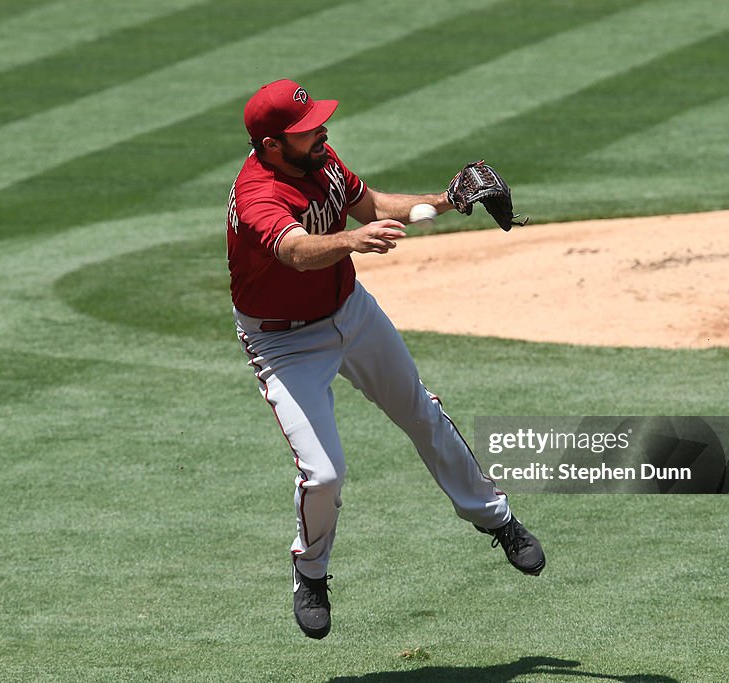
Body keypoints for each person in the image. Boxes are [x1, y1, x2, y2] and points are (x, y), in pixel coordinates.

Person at [226, 79, 545, 640]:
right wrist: (352, 241)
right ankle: (311, 574)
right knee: (324, 473)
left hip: (351, 311)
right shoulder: (257, 193)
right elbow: (296, 251)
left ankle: (499, 520)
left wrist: (447, 202)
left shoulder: (319, 160)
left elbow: (370, 205)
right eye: (307, 130)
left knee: (421, 412)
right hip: (284, 343)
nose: (321, 131)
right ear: (273, 144)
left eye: (319, 123)